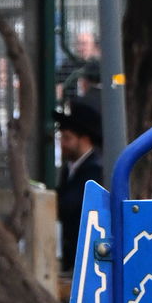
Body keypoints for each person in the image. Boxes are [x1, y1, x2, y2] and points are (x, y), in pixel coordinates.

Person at [56, 101, 104, 280]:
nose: (62, 144)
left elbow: (69, 204)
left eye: (67, 138)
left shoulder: (94, 170)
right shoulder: (70, 168)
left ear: (84, 140)